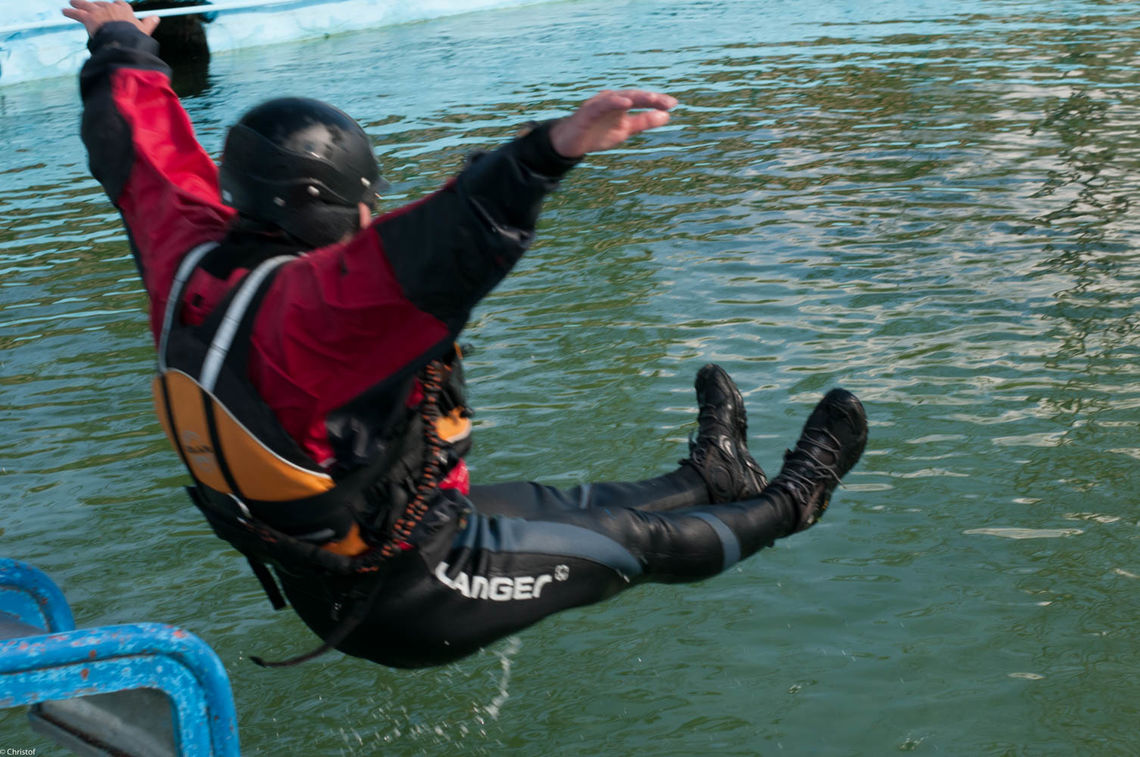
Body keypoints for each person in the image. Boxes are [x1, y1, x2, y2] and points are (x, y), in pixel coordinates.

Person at [65, 0, 868, 669]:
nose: (374, 215)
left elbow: (138, 146)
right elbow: (436, 245)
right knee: (631, 542)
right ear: (328, 210)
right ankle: (794, 503)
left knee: (572, 505)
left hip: (344, 561)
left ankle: (714, 471)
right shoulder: (316, 320)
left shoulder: (188, 257)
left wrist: (120, 40)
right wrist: (543, 156)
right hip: (409, 596)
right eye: (366, 202)